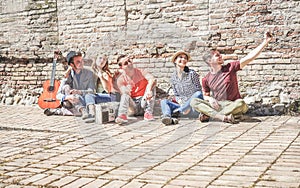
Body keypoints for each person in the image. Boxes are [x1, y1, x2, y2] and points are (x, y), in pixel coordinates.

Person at [190, 31, 273, 123]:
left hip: (233, 104)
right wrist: (210, 99)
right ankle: (225, 116)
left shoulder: (230, 67)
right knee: (193, 101)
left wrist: (265, 42)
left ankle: (214, 116)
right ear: (209, 61)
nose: (221, 56)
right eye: (217, 55)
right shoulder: (206, 78)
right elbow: (206, 95)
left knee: (241, 104)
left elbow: (249, 57)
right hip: (219, 105)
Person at [160, 50, 203, 125]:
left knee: (198, 93)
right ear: (175, 60)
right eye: (180, 57)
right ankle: (167, 117)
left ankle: (178, 111)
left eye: (185, 58)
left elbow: (198, 91)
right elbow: (176, 94)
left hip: (193, 108)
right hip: (181, 106)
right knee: (164, 101)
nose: (183, 59)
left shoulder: (192, 73)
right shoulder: (173, 77)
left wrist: (187, 106)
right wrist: (181, 102)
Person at [55, 51, 97, 123]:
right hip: (72, 102)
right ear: (71, 64)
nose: (82, 63)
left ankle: (89, 112)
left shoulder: (89, 73)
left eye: (82, 61)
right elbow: (58, 95)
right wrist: (67, 97)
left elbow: (92, 91)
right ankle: (83, 111)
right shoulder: (68, 76)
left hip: (86, 99)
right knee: (66, 87)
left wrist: (79, 92)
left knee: (88, 96)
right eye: (78, 62)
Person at [115, 55, 157, 124]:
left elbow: (152, 79)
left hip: (144, 102)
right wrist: (127, 89)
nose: (129, 63)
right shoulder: (120, 79)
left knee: (152, 85)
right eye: (125, 63)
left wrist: (149, 90)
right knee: (125, 95)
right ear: (121, 67)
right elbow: (124, 94)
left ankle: (148, 113)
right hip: (133, 107)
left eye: (129, 61)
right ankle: (122, 116)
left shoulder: (141, 72)